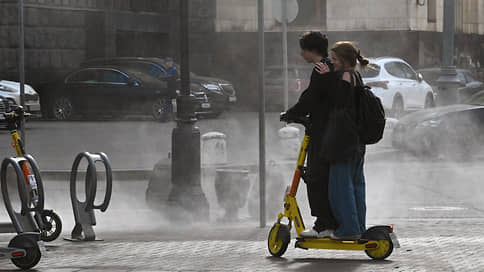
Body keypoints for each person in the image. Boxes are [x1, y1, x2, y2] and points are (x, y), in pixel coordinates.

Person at [281, 31, 338, 238]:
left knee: (316, 177)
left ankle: (323, 225)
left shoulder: (321, 68)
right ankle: (328, 222)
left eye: (303, 49)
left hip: (322, 131)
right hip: (331, 130)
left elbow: (311, 98)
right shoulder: (330, 67)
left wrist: (291, 114)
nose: (301, 54)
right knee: (323, 178)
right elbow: (313, 96)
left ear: (311, 50)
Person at [315, 41, 369, 240]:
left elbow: (338, 102)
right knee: (356, 187)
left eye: (335, 59)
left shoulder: (346, 77)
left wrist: (326, 77)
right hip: (356, 143)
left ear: (345, 61)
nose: (332, 62)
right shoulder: (357, 77)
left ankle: (349, 229)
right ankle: (358, 226)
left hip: (343, 143)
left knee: (340, 188)